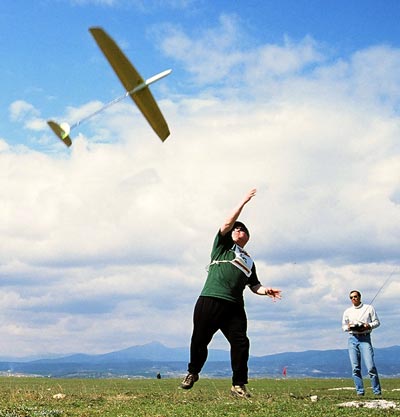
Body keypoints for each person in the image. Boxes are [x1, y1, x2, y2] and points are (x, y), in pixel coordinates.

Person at [181, 189, 281, 398]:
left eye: (241, 228)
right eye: (235, 228)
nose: (237, 229)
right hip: (210, 298)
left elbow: (254, 286)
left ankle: (238, 385)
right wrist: (243, 202)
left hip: (234, 306)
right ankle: (193, 372)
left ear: (247, 236)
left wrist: (266, 291)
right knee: (199, 339)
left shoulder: (249, 261)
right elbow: (227, 223)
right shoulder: (223, 246)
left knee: (241, 343)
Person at [342, 290, 382, 396]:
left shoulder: (369, 308)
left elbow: (377, 322)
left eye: (355, 296)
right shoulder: (347, 311)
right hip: (353, 339)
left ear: (360, 297)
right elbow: (344, 327)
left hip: (365, 338)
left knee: (370, 367)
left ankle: (377, 392)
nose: (353, 299)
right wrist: (350, 327)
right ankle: (360, 392)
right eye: (351, 297)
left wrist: (368, 326)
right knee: (355, 368)